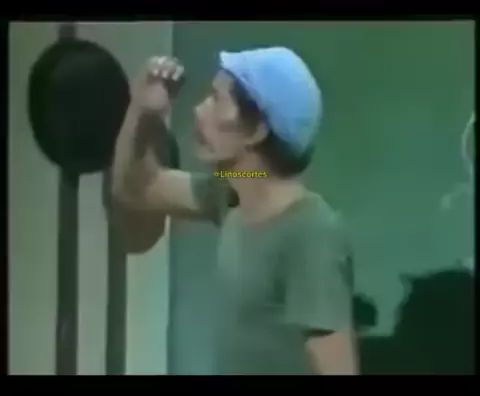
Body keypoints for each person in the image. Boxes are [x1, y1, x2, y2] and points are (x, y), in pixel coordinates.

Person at [111, 46, 358, 375]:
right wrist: (142, 112)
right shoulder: (233, 194)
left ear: (257, 130)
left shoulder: (311, 233)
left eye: (216, 100)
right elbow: (135, 187)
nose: (199, 110)